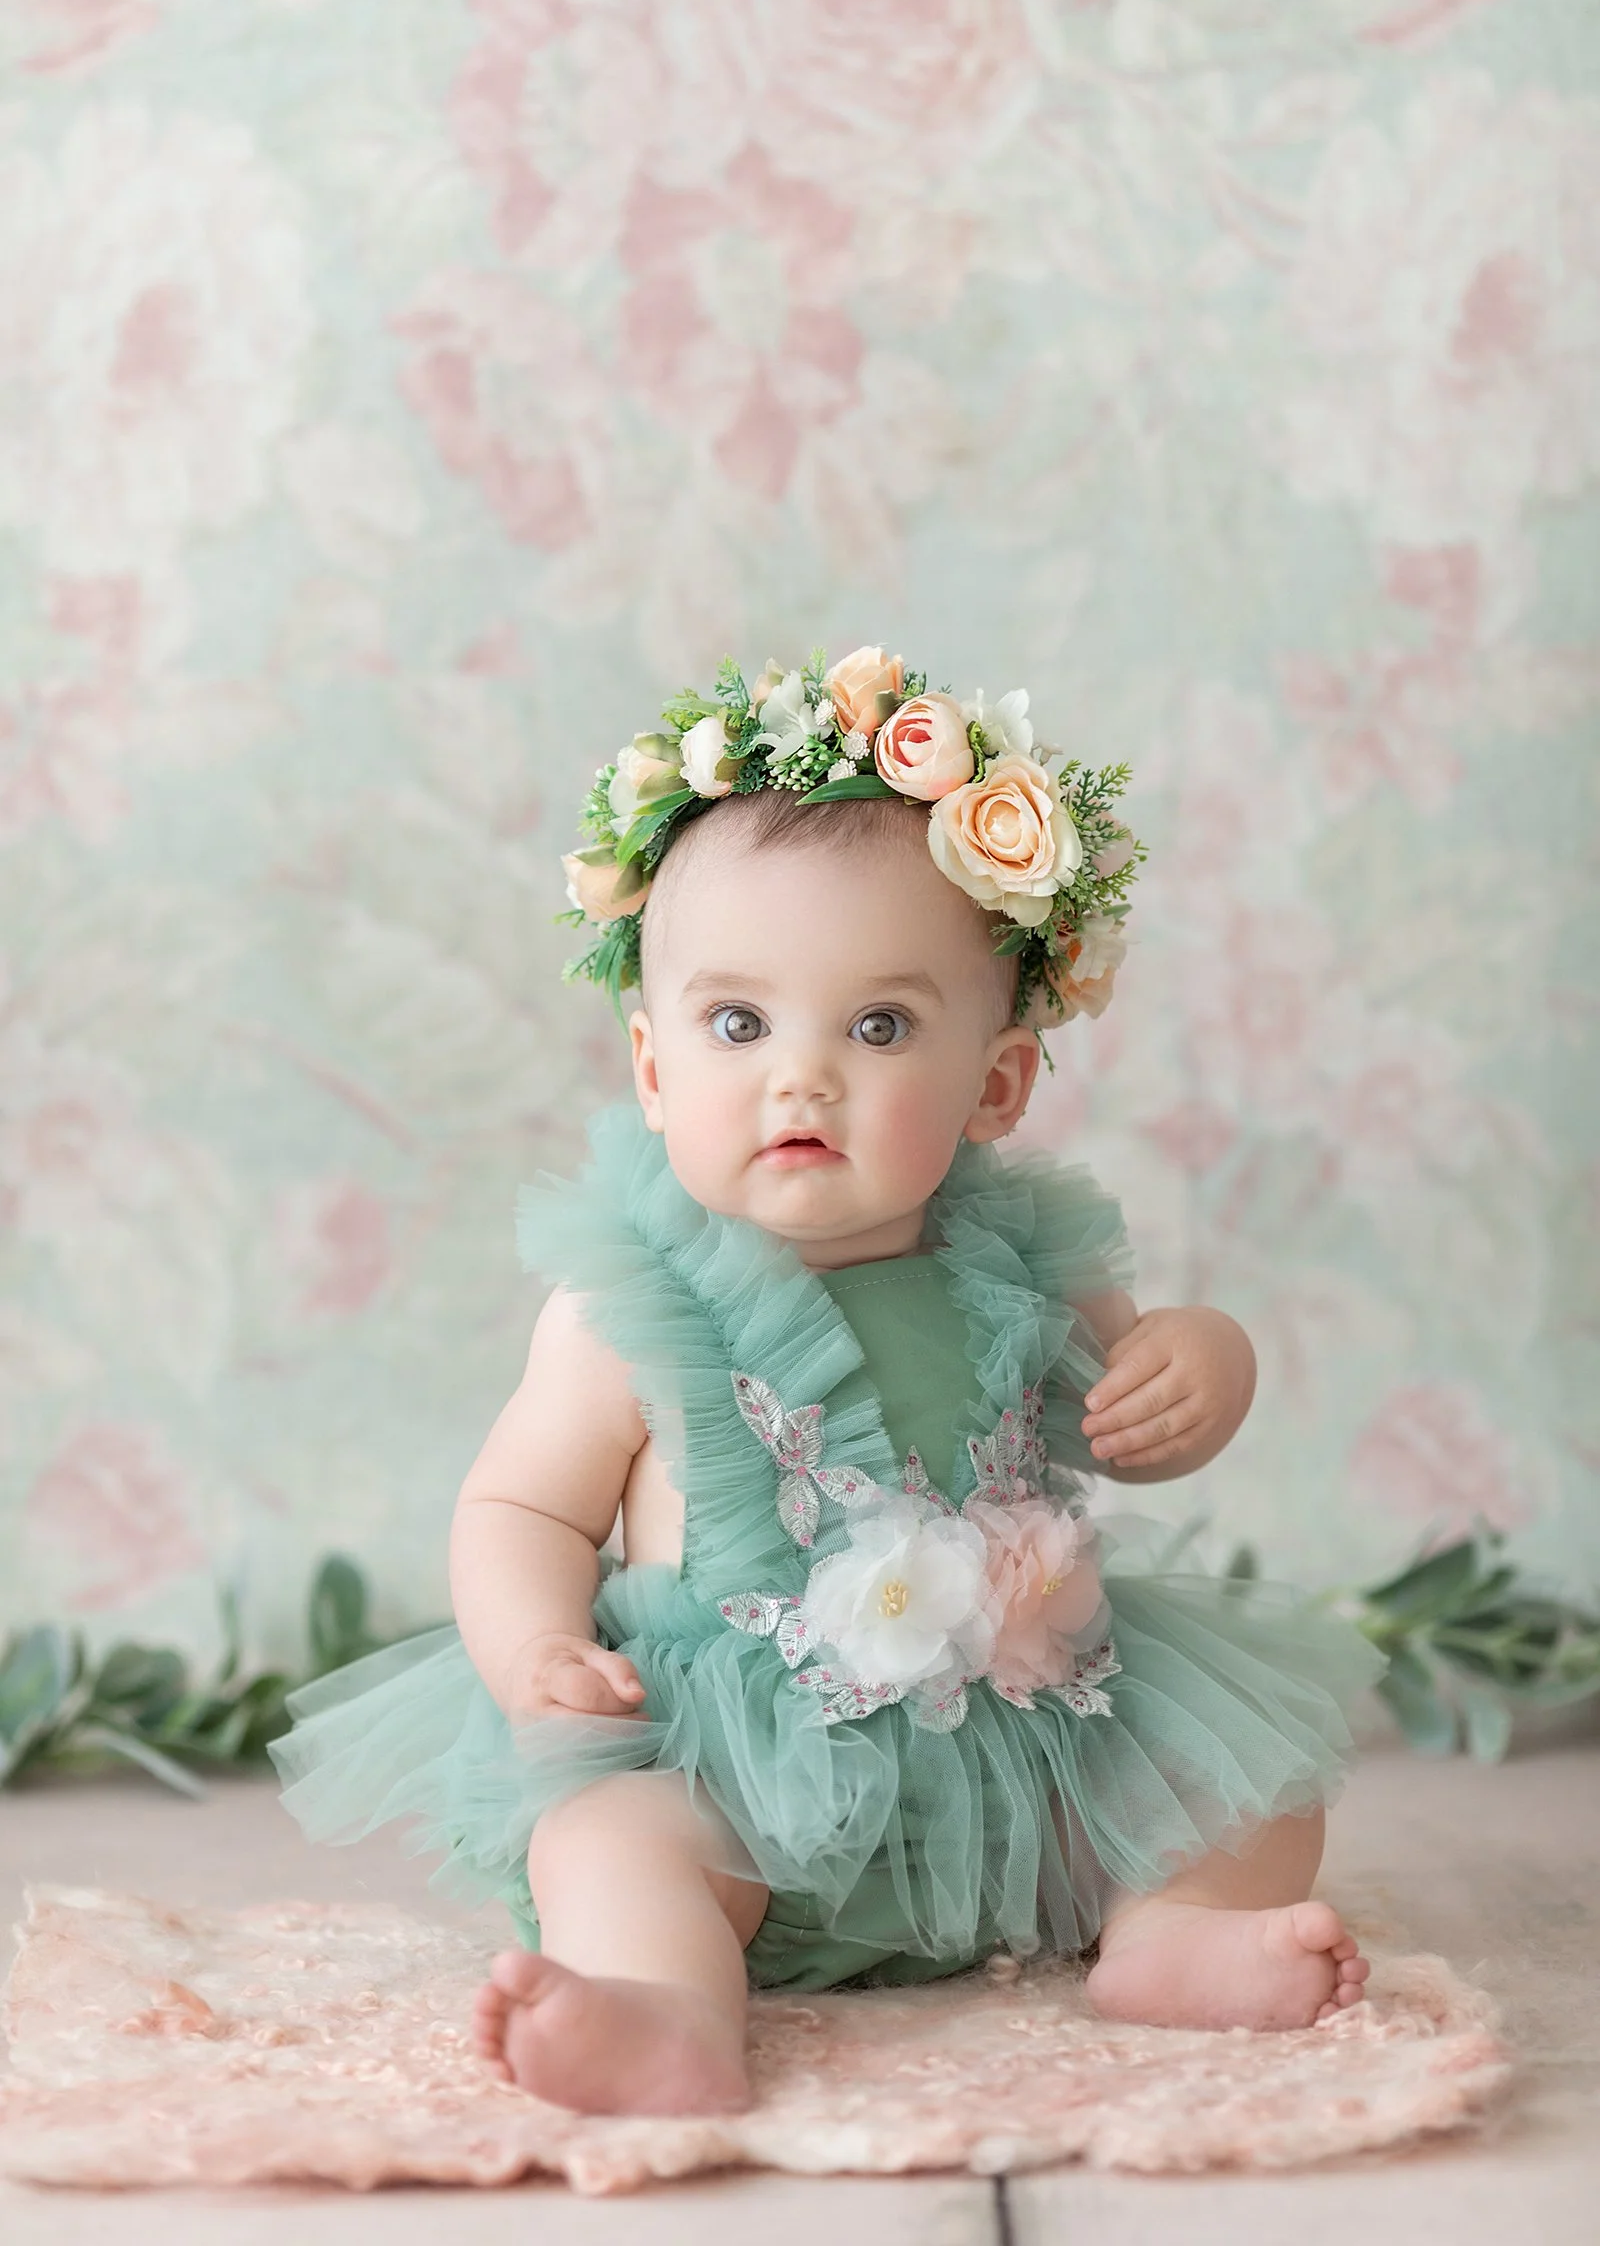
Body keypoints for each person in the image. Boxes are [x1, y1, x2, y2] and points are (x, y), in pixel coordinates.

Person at [271, 647, 1382, 2119]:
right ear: (655, 1070)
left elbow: (1139, 1412)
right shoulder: (631, 1309)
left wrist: (1205, 1364)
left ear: (997, 1086)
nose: (802, 1079)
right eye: (740, 1025)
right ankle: (668, 2011)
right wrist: (534, 1652)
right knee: (610, 1838)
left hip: (1030, 1747)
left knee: (1255, 1789)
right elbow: (520, 1506)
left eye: (878, 1027)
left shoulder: (1022, 1258)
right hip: (731, 1775)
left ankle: (1164, 1936)